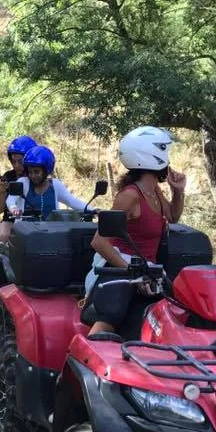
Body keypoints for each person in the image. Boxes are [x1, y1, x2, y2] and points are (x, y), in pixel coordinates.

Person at [85, 126, 186, 337]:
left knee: (180, 310)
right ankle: (86, 349)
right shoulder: (130, 196)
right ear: (151, 156)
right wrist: (133, 273)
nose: (168, 160)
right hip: (120, 266)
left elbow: (173, 216)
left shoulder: (153, 190)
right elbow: (99, 241)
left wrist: (178, 191)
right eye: (164, 153)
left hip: (148, 269)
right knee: (111, 315)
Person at [4, 145, 89, 224]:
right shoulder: (23, 182)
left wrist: (92, 209)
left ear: (46, 171)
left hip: (52, 232)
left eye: (36, 172)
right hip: (25, 232)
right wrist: (13, 208)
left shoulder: (55, 185)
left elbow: (72, 201)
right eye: (30, 172)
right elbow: (10, 199)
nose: (33, 175)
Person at [0, 136, 37, 241]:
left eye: (20, 161)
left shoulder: (37, 178)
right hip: (10, 221)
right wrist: (2, 191)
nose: (16, 165)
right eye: (13, 162)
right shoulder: (8, 176)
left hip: (35, 221)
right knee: (4, 236)